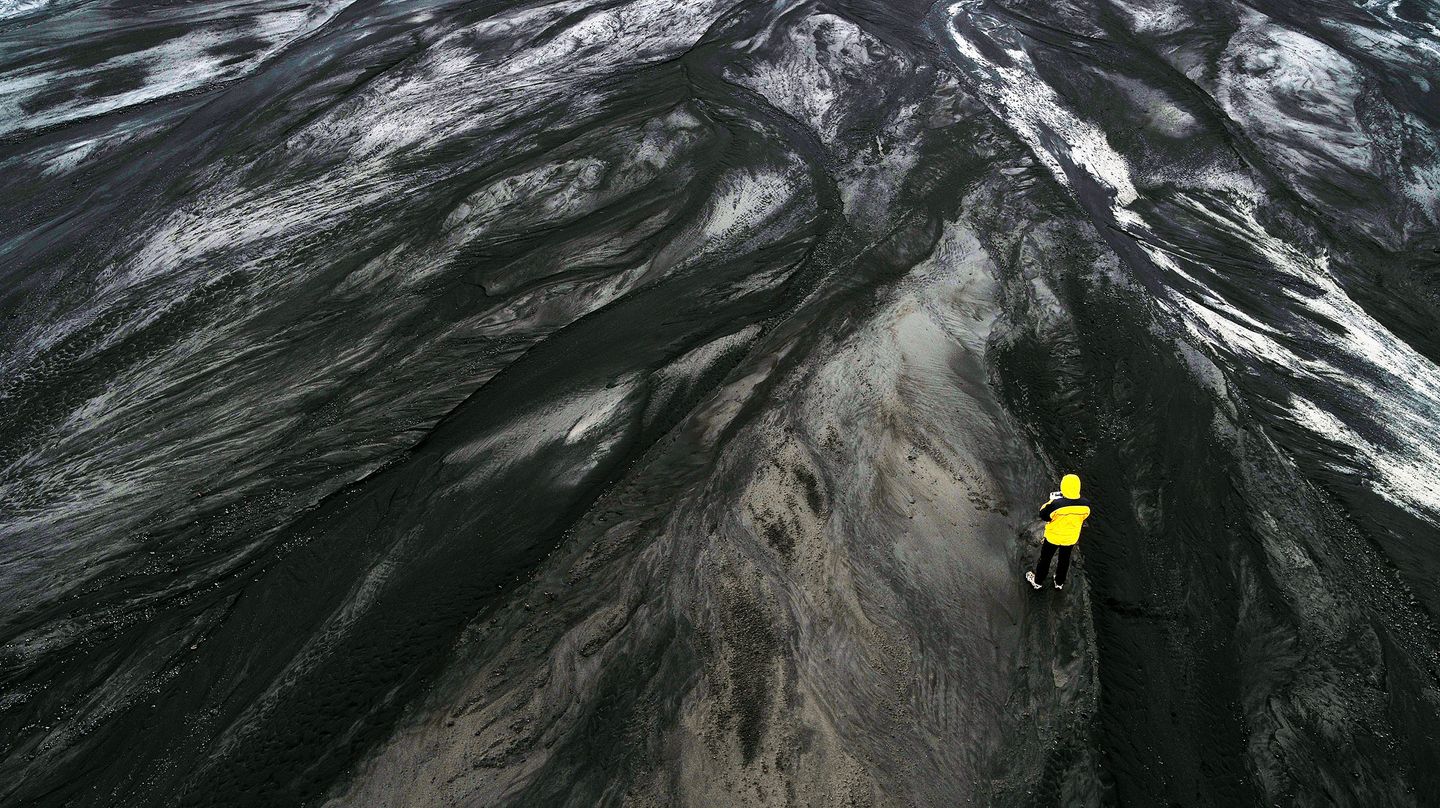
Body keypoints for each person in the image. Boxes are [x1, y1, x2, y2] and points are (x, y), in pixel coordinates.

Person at [1026, 473, 1091, 590]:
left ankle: (1038, 581)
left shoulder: (1056, 504)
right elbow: (1084, 517)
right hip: (1070, 538)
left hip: (1053, 537)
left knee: (1045, 559)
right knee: (1064, 560)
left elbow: (1044, 515)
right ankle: (1059, 582)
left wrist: (1051, 502)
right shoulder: (1086, 504)